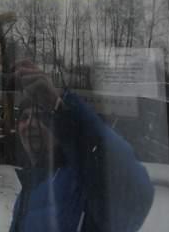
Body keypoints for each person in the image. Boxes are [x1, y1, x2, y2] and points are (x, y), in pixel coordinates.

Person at [10, 60, 154, 232]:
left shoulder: (82, 183)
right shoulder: (27, 191)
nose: (30, 124)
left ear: (59, 127)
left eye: (41, 117)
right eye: (24, 118)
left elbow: (134, 188)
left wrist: (60, 106)